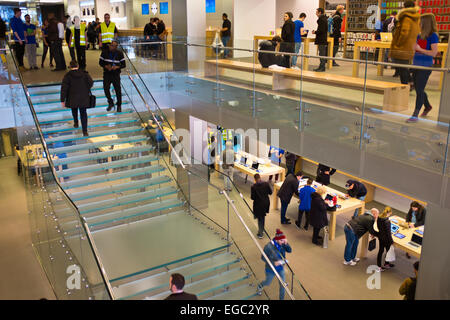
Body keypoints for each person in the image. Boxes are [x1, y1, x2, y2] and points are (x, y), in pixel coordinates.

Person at [406, 13, 439, 123]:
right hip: (416, 64)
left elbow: (434, 53)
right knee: (419, 88)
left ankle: (415, 115)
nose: (419, 23)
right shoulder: (419, 35)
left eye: (421, 22)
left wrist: (420, 49)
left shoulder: (433, 36)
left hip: (425, 66)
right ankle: (428, 106)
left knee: (419, 90)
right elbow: (415, 48)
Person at [389, 1, 420, 85]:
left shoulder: (406, 18)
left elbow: (404, 32)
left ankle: (405, 86)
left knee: (402, 69)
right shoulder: (416, 18)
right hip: (410, 46)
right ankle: (410, 82)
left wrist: (398, 44)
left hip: (402, 48)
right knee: (403, 67)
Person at [60, 60, 93, 137]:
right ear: (77, 66)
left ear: (70, 67)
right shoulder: (85, 74)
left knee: (74, 109)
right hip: (83, 97)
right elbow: (90, 82)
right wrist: (85, 89)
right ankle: (85, 131)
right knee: (83, 113)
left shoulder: (67, 76)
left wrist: (62, 100)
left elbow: (64, 89)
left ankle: (76, 122)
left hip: (72, 97)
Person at [258, 229, 292, 300]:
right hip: (271, 269)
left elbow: (290, 250)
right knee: (267, 282)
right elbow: (263, 258)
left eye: (284, 240)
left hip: (280, 268)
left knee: (282, 286)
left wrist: (286, 243)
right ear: (276, 239)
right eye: (281, 240)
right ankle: (260, 286)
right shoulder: (268, 246)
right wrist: (274, 263)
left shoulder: (283, 244)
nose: (282, 242)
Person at [99, 40, 125, 112]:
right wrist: (106, 66)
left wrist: (117, 67)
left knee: (118, 90)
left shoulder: (119, 53)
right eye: (111, 45)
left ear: (116, 47)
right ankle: (110, 102)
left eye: (113, 46)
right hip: (107, 73)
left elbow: (123, 64)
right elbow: (100, 62)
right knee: (106, 88)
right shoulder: (104, 52)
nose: (111, 47)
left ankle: (119, 105)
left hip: (116, 74)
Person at [251, 173, 273, 239]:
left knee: (260, 218)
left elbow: (252, 197)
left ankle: (261, 233)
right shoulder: (266, 184)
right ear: (260, 177)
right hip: (266, 203)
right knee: (262, 217)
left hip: (258, 204)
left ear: (255, 179)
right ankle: (261, 230)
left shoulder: (253, 187)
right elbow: (270, 192)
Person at [374, 206, 394, 272]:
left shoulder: (379, 217)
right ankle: (386, 263)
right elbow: (388, 233)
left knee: (380, 251)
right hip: (386, 239)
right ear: (390, 212)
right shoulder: (387, 221)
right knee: (388, 251)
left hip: (380, 237)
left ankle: (379, 266)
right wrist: (391, 241)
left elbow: (378, 226)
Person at [312, 7, 328, 72]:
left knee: (321, 54)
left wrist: (315, 32)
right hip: (323, 38)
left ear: (320, 12)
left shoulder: (321, 19)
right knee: (322, 53)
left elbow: (321, 30)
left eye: (316, 12)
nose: (316, 13)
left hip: (321, 39)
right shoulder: (324, 19)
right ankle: (321, 67)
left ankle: (322, 67)